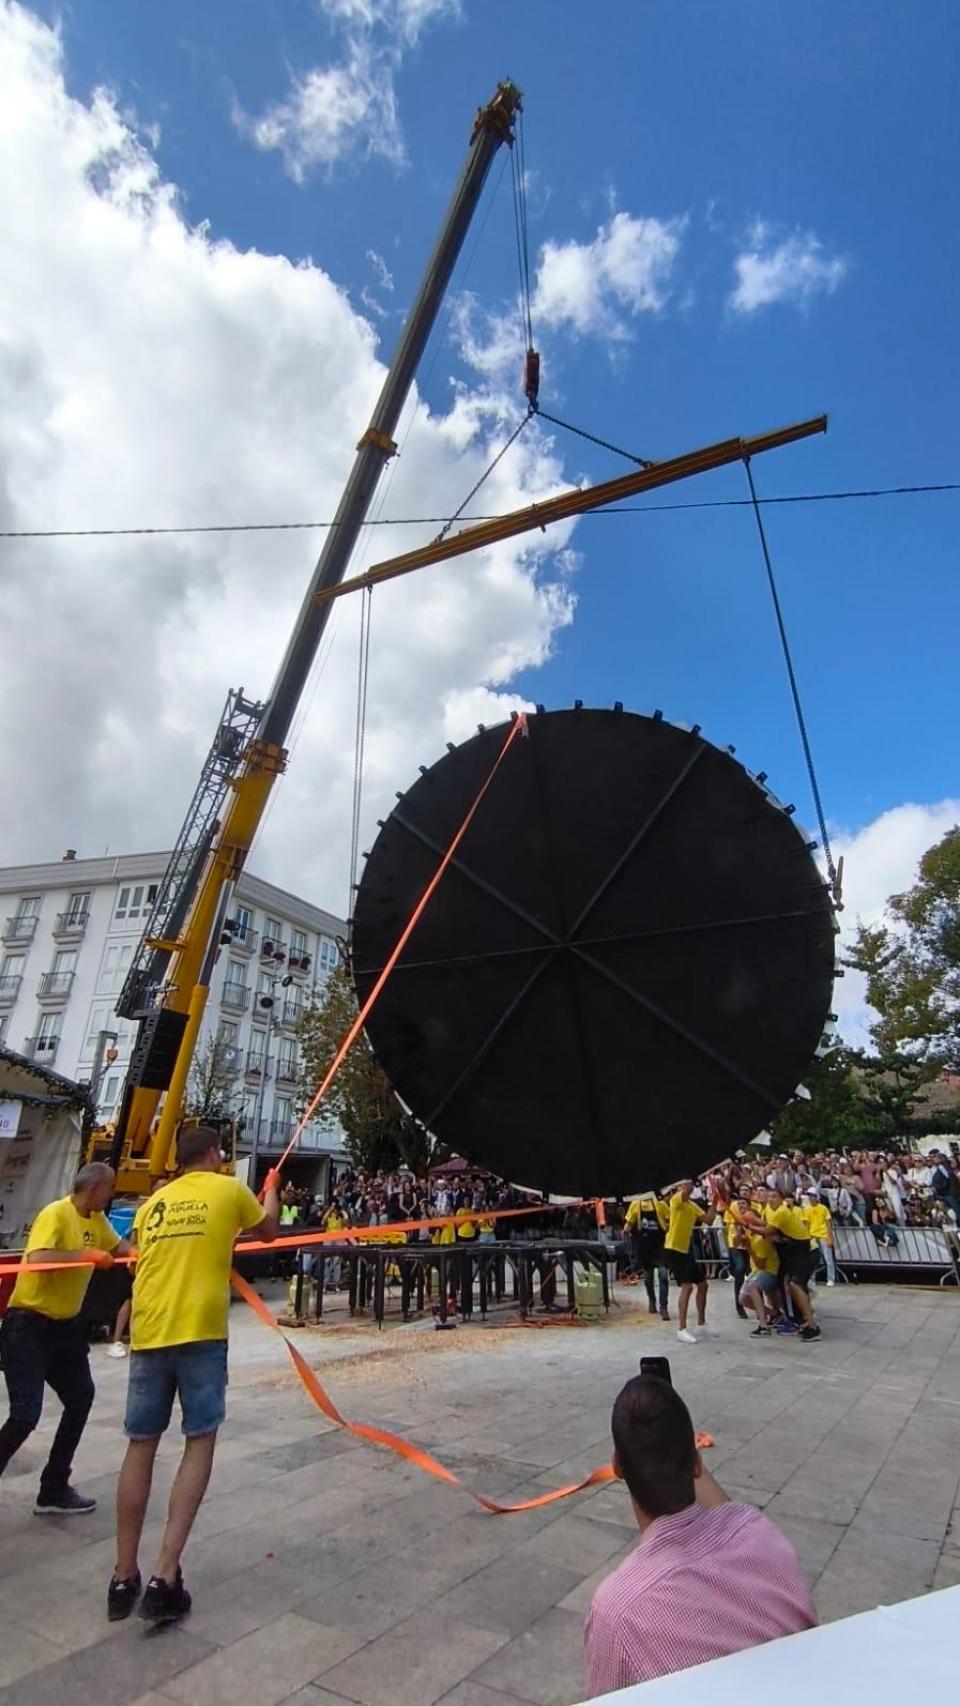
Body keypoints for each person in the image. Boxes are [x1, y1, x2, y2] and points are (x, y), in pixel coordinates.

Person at [108, 1126, 280, 1626]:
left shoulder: (154, 1203)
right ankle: (164, 1574)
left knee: (140, 1444)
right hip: (199, 1333)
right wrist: (270, 1186)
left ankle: (123, 1575)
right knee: (198, 1441)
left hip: (149, 1329)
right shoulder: (227, 1188)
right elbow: (268, 1229)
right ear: (212, 1155)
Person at [584, 1375, 815, 1694]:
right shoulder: (759, 1534)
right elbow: (726, 1513)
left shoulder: (619, 1612)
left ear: (617, 1467)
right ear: (697, 1463)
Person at [0, 1162, 130, 1513]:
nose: (112, 1194)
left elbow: (121, 1248)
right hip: (28, 1325)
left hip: (65, 1329)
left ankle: (53, 1487)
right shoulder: (56, 1214)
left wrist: (142, 1255)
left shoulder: (97, 1220)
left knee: (80, 1397)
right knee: (26, 1414)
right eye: (110, 1188)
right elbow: (40, 1257)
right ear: (93, 1189)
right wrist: (85, 1256)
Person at [744, 1187, 820, 1341]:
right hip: (793, 1252)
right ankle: (802, 1320)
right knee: (790, 1286)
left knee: (795, 1285)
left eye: (774, 1196)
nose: (771, 1198)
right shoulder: (769, 1210)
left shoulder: (781, 1212)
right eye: (769, 1195)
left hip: (805, 1251)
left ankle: (812, 1326)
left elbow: (768, 1231)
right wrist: (753, 1222)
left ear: (781, 1199)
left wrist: (749, 1225)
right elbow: (768, 1226)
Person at [663, 1180, 716, 1345]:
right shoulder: (676, 1200)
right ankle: (682, 1329)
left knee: (703, 1284)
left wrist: (714, 1201)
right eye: (683, 1185)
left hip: (686, 1250)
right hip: (674, 1248)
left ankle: (701, 1324)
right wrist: (689, 1180)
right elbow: (686, 1191)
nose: (685, 1187)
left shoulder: (692, 1205)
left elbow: (708, 1220)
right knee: (687, 1286)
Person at [623, 1193, 670, 1318]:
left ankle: (664, 1307)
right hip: (644, 1247)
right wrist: (626, 1230)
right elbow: (629, 1222)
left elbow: (670, 1219)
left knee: (663, 1275)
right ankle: (652, 1300)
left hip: (660, 1246)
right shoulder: (635, 1205)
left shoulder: (660, 1204)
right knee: (648, 1278)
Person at [800, 1190, 836, 1285]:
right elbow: (806, 1224)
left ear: (817, 1197)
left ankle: (831, 1278)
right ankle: (812, 1279)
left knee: (828, 1259)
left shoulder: (823, 1208)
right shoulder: (807, 1209)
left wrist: (830, 1237)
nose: (811, 1198)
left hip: (823, 1235)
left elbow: (828, 1223)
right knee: (812, 1259)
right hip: (812, 1236)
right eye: (810, 1196)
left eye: (813, 1196)